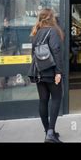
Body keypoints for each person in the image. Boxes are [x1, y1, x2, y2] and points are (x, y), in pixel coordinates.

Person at [28, 8, 64, 143]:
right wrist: (58, 72)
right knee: (56, 98)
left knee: (43, 100)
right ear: (51, 18)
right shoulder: (53, 31)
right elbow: (56, 51)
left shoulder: (35, 32)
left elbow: (33, 54)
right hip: (51, 71)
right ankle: (50, 133)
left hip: (39, 72)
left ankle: (49, 131)